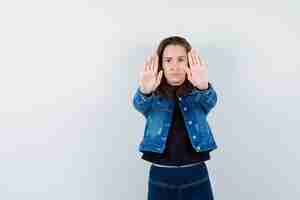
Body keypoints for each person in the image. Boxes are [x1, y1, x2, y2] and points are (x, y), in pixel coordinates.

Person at [132, 36, 218, 200]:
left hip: (196, 174)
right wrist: (145, 91)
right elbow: (139, 104)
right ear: (161, 64)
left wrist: (203, 87)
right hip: (161, 175)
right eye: (168, 60)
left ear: (189, 63)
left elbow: (211, 100)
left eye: (181, 60)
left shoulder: (197, 94)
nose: (174, 66)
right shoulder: (154, 95)